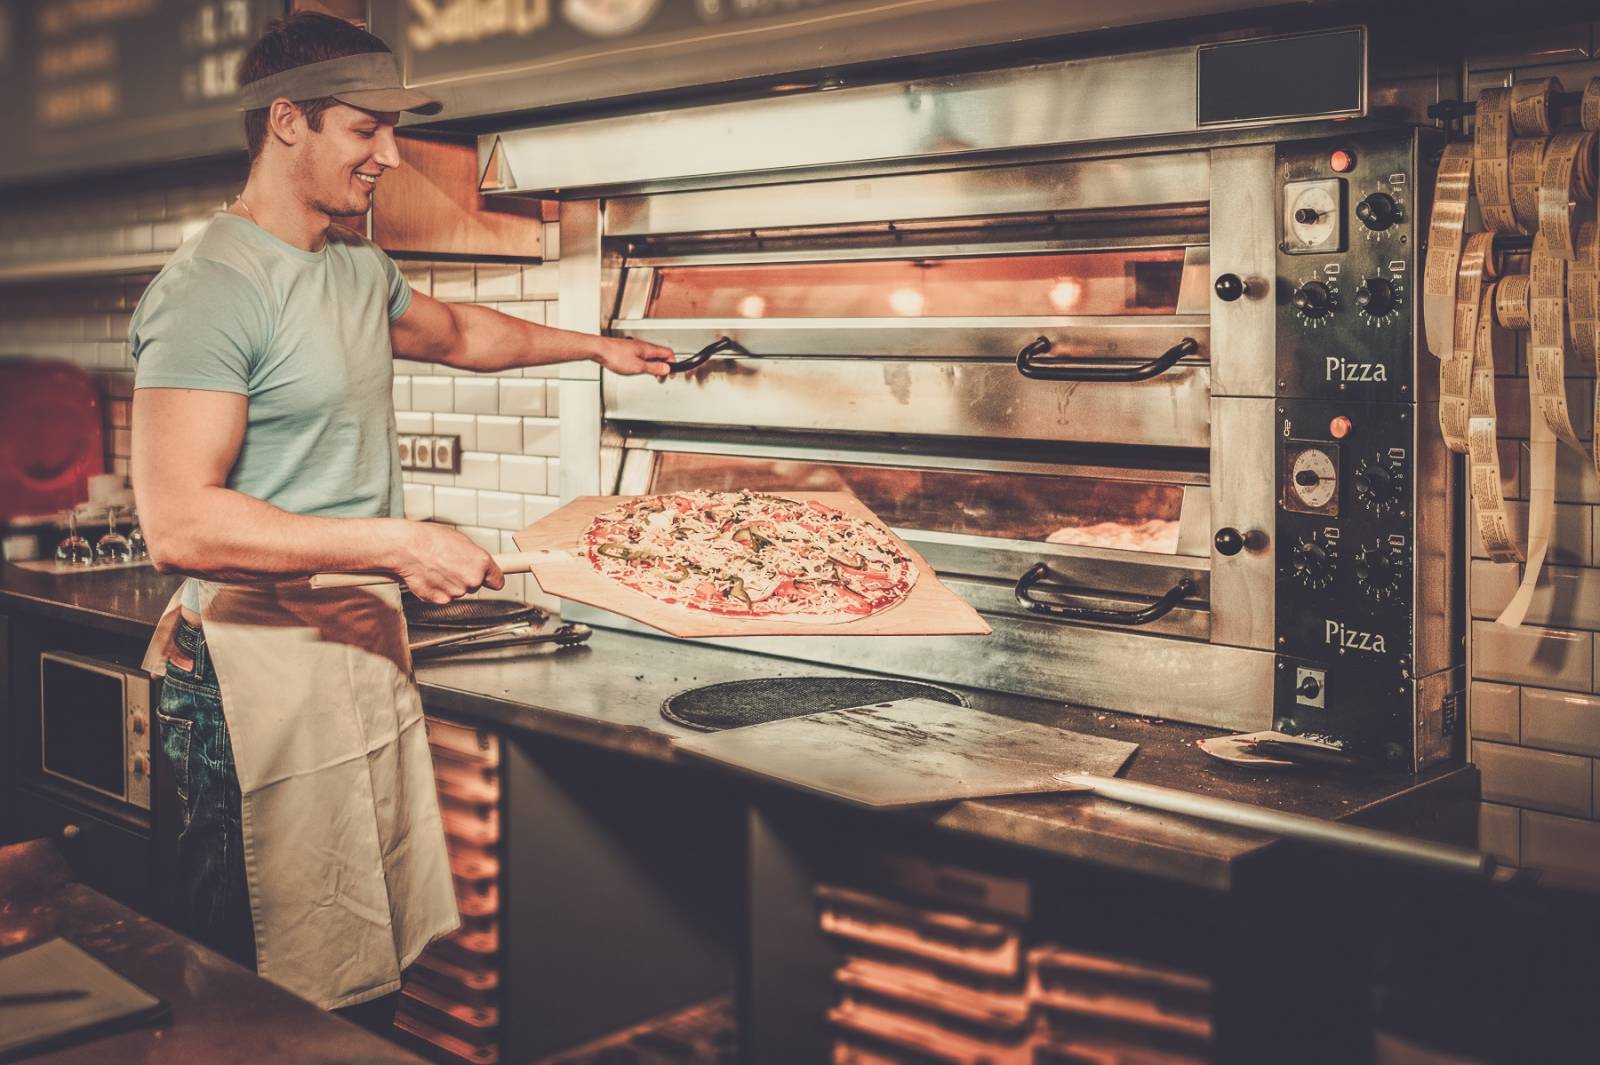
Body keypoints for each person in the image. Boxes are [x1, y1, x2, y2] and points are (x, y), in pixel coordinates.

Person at [128, 11, 671, 1031]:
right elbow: (180, 525)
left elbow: (463, 331)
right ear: (285, 121)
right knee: (247, 1002)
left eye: (390, 130)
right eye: (362, 129)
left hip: (352, 655)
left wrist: (594, 348)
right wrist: (398, 540)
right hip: (246, 684)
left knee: (354, 981)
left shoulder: (353, 271)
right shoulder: (211, 291)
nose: (388, 154)